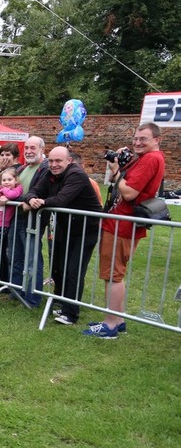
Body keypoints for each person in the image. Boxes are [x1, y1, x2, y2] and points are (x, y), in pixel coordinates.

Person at [84, 122, 166, 338]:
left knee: (113, 274)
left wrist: (116, 170)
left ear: (156, 140)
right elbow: (121, 182)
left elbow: (129, 192)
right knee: (113, 273)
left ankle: (110, 324)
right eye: (136, 139)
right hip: (121, 222)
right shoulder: (146, 158)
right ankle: (116, 320)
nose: (137, 142)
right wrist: (121, 165)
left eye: (143, 139)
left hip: (123, 223)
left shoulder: (151, 159)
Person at [24, 146, 102, 325]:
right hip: (63, 227)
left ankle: (71, 313)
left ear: (69, 161)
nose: (54, 164)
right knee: (57, 268)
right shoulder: (49, 174)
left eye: (58, 161)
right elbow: (33, 191)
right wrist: (31, 199)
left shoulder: (76, 175)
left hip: (85, 230)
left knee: (74, 270)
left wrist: (40, 202)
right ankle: (60, 302)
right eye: (51, 161)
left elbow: (61, 200)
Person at [5, 137, 48, 305]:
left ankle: (32, 297)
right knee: (15, 256)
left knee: (32, 259)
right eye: (27, 148)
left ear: (42, 149)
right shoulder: (23, 168)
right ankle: (16, 292)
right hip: (17, 217)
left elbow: (39, 193)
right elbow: (13, 190)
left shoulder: (45, 168)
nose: (29, 151)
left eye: (33, 148)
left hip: (33, 220)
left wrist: (18, 198)